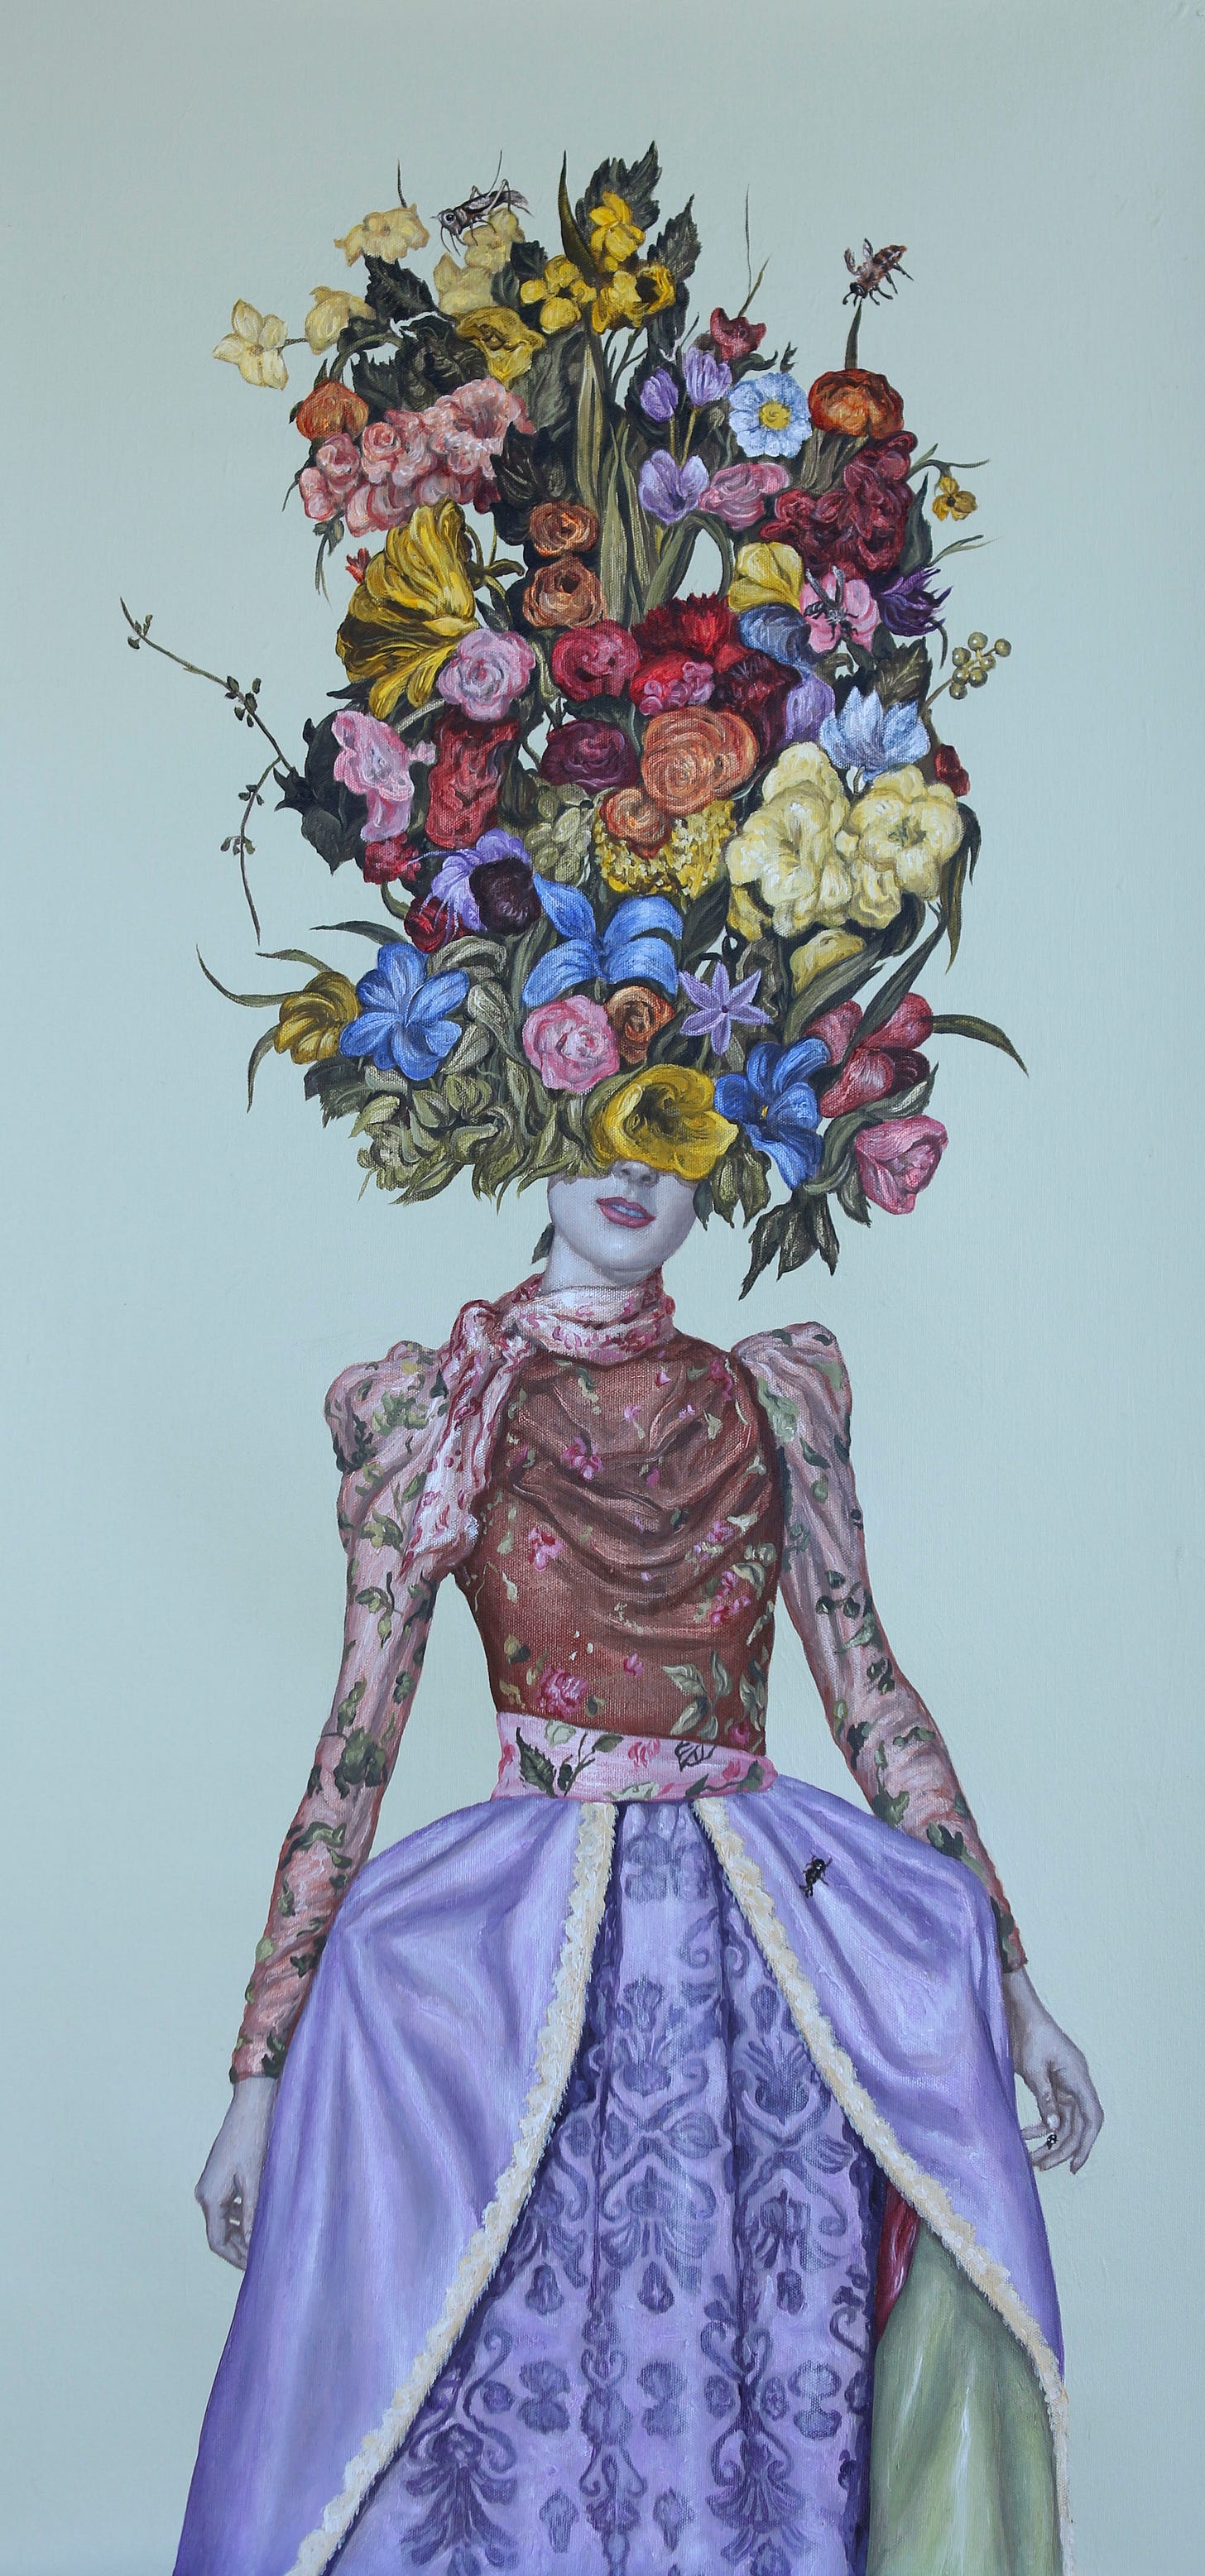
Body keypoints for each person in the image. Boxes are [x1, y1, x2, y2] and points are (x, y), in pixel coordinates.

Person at [177, 1158, 1101, 2576]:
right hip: (511, 1978)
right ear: (518, 1133)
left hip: (758, 1991)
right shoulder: (445, 1411)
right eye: (596, 1122)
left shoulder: (769, 1399)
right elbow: (354, 1748)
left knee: (754, 2408)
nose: (630, 1170)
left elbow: (869, 1694)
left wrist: (1016, 1986)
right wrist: (259, 2072)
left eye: (673, 1129)